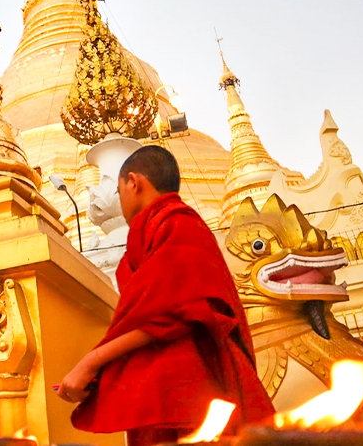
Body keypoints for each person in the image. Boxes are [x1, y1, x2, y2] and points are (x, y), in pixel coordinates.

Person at [55, 146, 274, 445]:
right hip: (157, 394)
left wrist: (91, 362)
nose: (121, 201)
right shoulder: (150, 235)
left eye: (119, 192)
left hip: (194, 392)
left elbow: (172, 313)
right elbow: (150, 313)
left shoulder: (180, 225)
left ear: (133, 182)